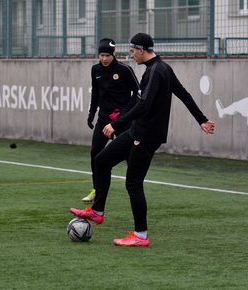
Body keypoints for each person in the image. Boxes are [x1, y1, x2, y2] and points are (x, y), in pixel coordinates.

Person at [70, 33, 215, 247]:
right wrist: (201, 119)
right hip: (137, 131)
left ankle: (141, 235)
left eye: (132, 50)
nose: (130, 55)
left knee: (133, 183)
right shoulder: (160, 68)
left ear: (141, 49)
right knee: (102, 161)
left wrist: (115, 124)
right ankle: (98, 211)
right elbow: (183, 93)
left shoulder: (156, 71)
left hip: (146, 136)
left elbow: (144, 105)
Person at [82, 38, 140, 202]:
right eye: (101, 55)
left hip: (122, 120)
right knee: (95, 153)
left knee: (130, 155)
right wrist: (92, 113)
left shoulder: (124, 70)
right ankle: (96, 189)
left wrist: (125, 114)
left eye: (107, 55)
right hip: (103, 119)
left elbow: (138, 94)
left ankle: (134, 187)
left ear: (113, 55)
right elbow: (96, 93)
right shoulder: (95, 70)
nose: (104, 59)